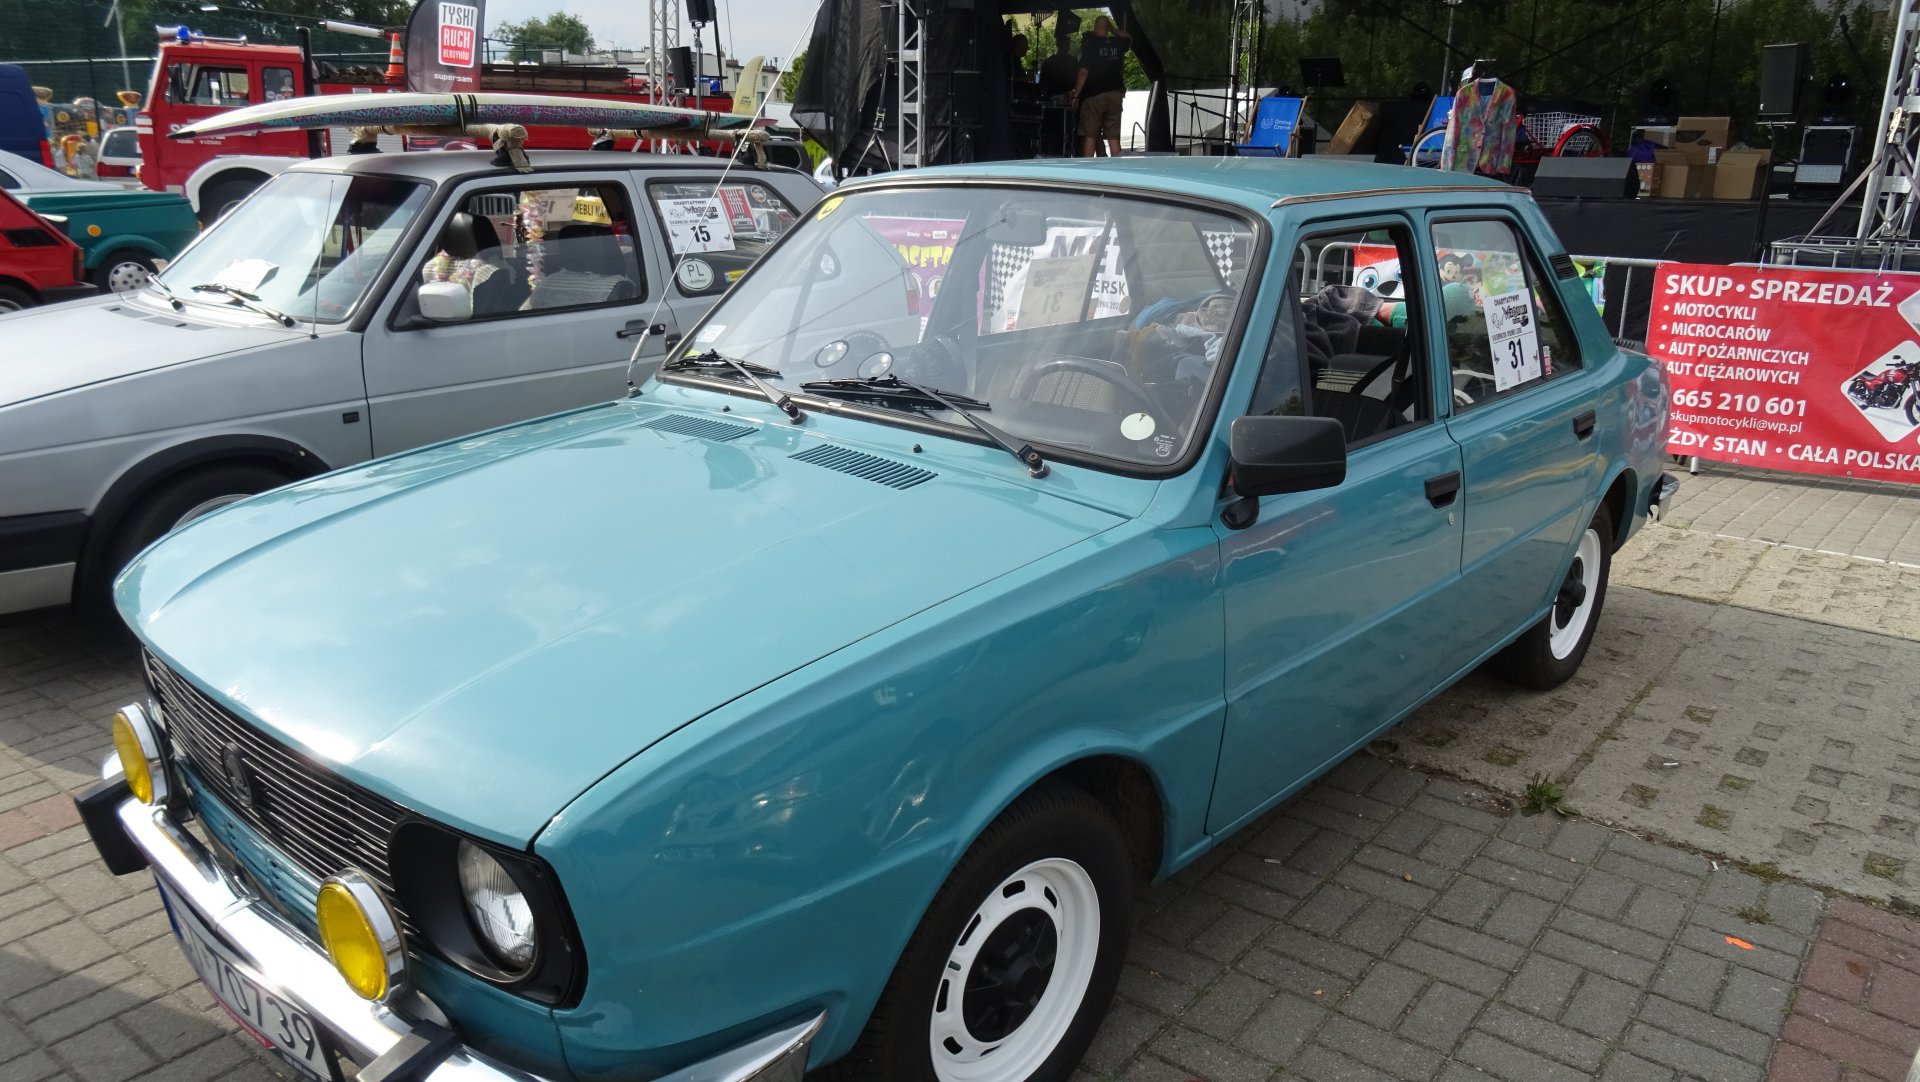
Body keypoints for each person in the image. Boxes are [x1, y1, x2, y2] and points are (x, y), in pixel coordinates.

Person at [1069, 15, 1131, 157]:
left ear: (1095, 27)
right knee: (1114, 137)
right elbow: (1129, 37)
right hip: (1115, 95)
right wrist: (1113, 29)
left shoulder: (1090, 45)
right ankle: (1117, 167)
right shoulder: (1117, 43)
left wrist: (1076, 94)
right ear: (1107, 28)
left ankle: (1088, 167)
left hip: (1094, 96)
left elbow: (1083, 72)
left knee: (1090, 135)